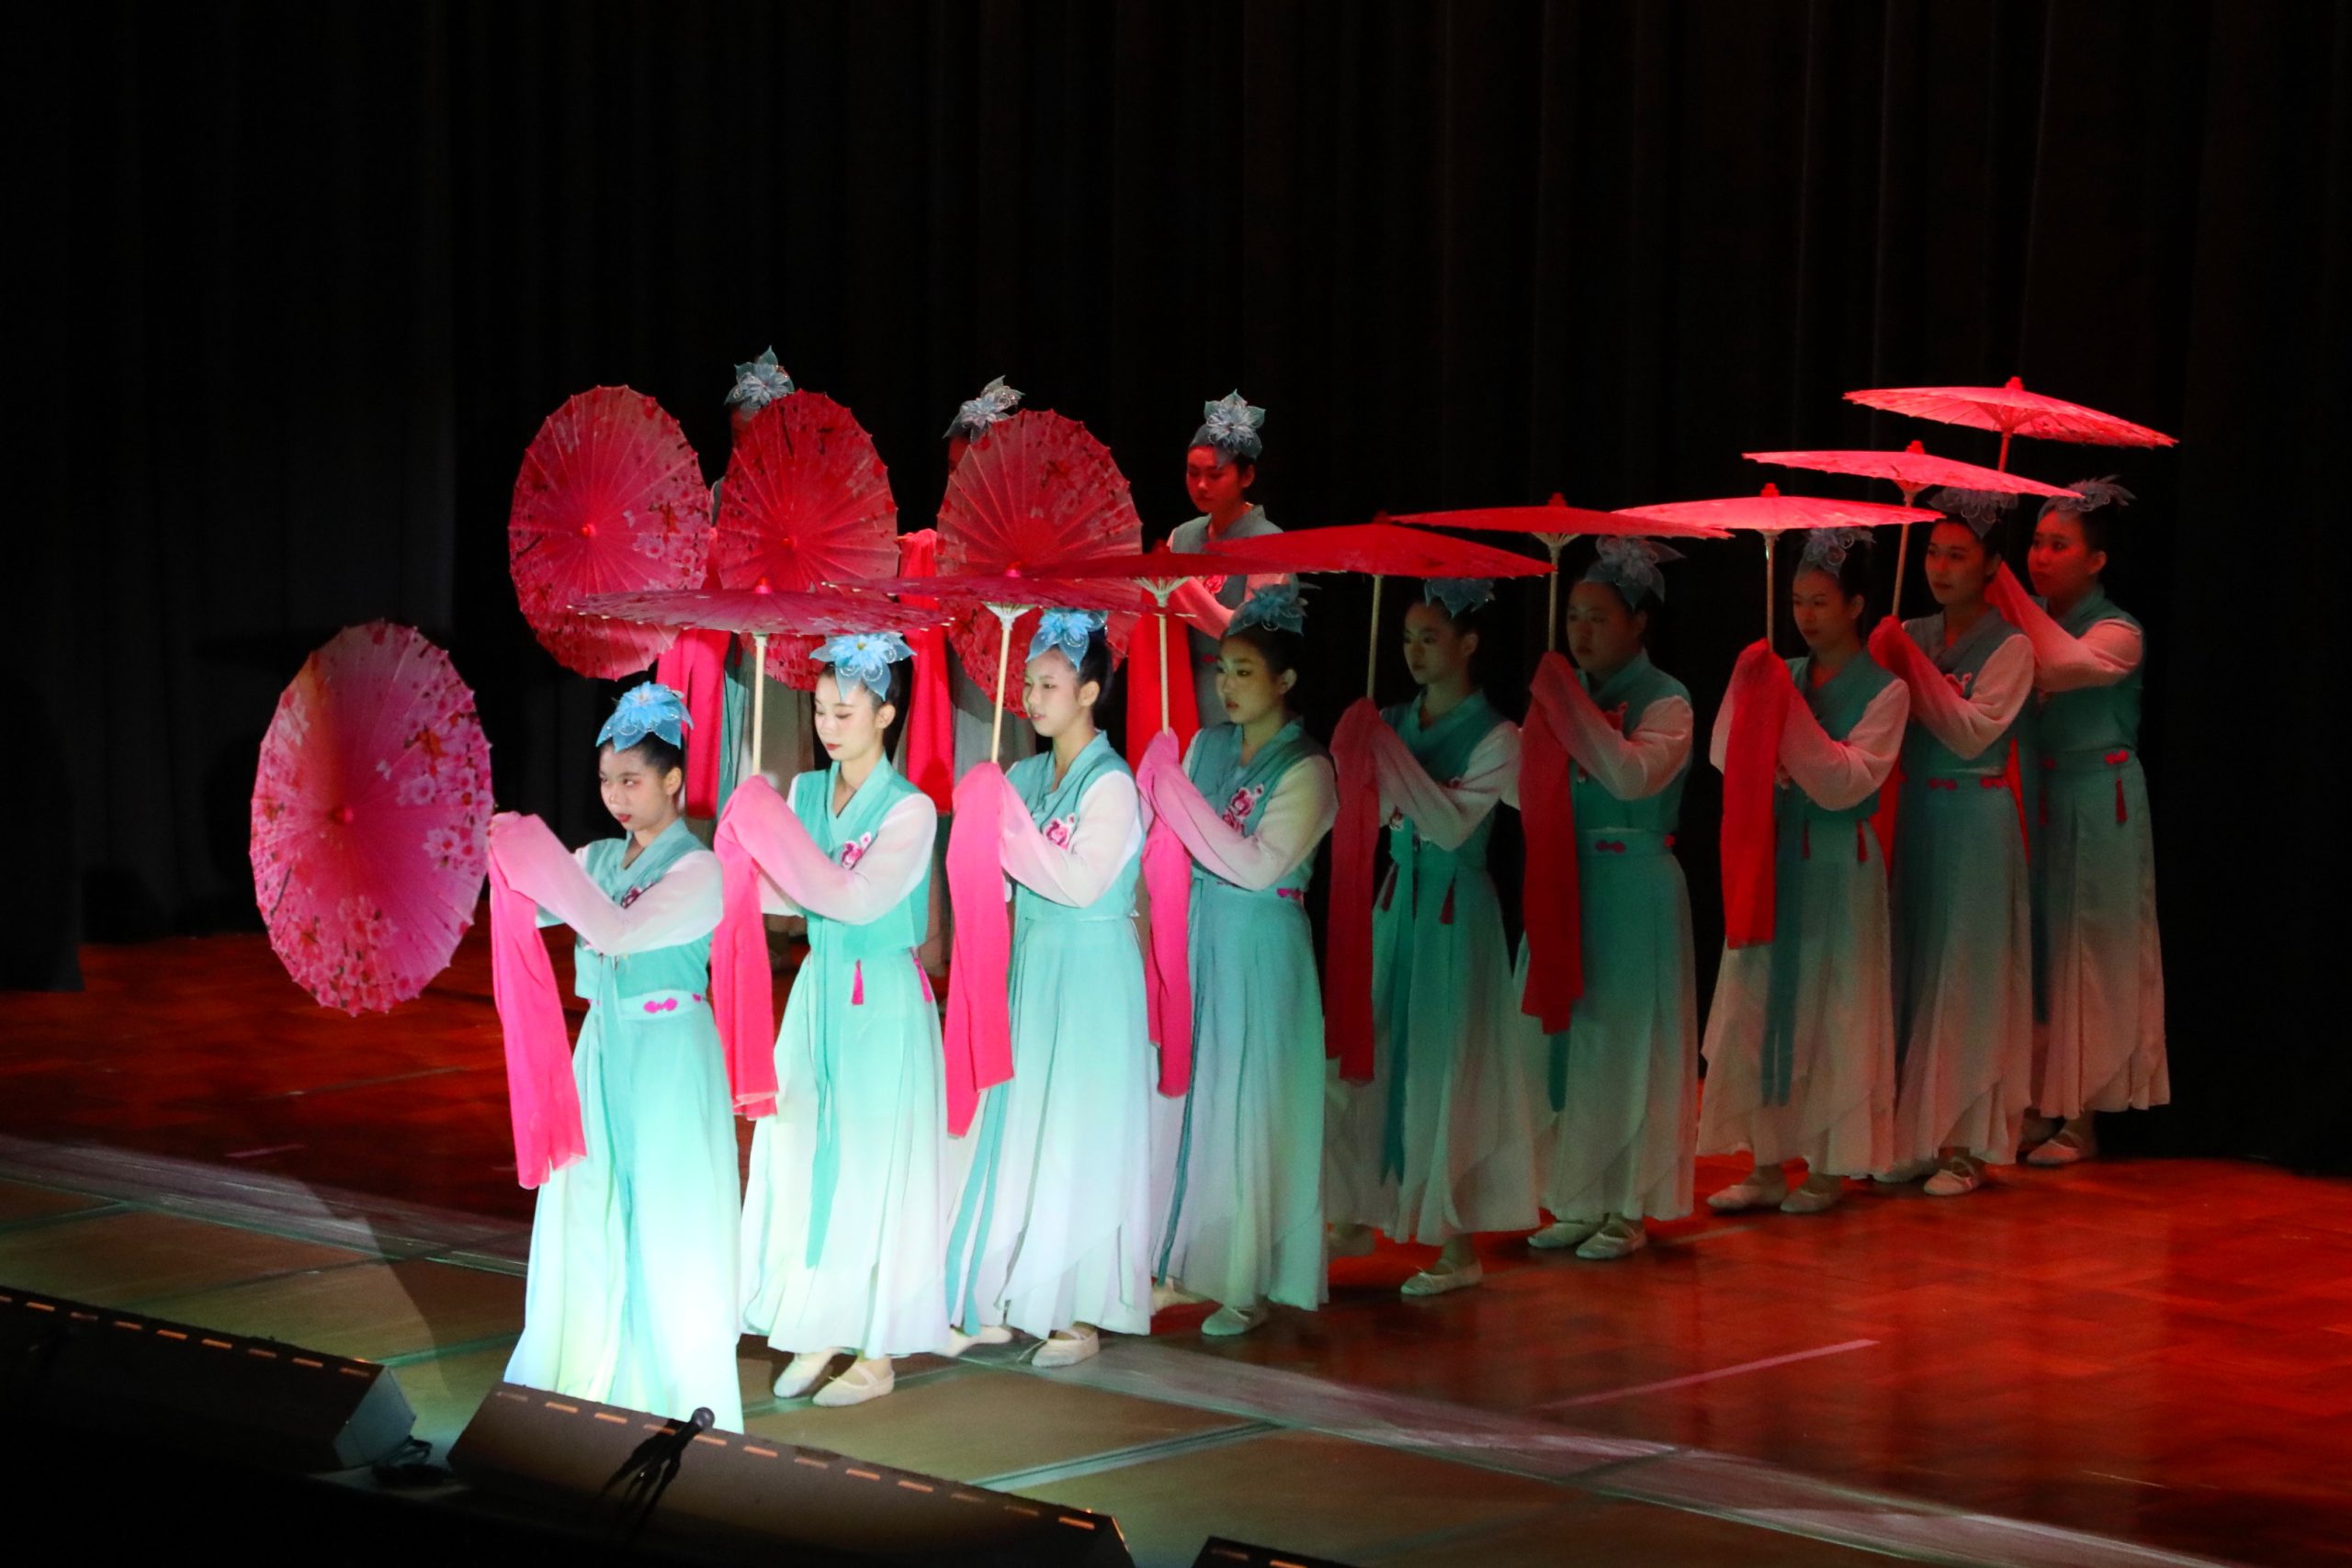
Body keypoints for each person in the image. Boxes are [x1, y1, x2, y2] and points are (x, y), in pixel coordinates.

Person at [491, 683, 744, 1430]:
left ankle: (675, 1390)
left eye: (632, 780)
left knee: (669, 1217)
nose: (616, 796)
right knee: (591, 1208)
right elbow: (533, 901)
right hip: (602, 1049)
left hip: (670, 1054)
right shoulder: (598, 858)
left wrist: (541, 857)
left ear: (674, 780)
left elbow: (614, 930)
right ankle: (589, 1368)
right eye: (606, 780)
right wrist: (496, 849)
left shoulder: (698, 869)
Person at [730, 634, 950, 1406]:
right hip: (818, 988)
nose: (827, 724)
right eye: (820, 708)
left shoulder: (911, 810)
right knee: (800, 1149)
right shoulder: (805, 791)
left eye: (845, 711)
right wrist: (745, 849)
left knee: (870, 1163)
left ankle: (877, 1346)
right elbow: (791, 898)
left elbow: (854, 897)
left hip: (880, 1000)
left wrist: (774, 837)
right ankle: (818, 1318)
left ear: (885, 714)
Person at [943, 610, 1153, 1368]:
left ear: (1089, 692)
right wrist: (980, 825)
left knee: (1077, 1131)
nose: (1031, 698)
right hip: (1033, 966)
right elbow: (999, 878)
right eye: (1027, 683)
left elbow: (1079, 880)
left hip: (1093, 973)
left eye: (1049, 685)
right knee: (1022, 1125)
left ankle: (1081, 1308)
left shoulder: (1113, 783)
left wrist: (1005, 829)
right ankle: (1005, 1294)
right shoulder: (1026, 776)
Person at [1326, 580, 1538, 1295]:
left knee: (1448, 1063)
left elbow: (1449, 825)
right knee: (1372, 1045)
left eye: (1431, 637)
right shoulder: (1391, 718)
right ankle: (1356, 1208)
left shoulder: (1500, 736)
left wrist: (1386, 754)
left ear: (1468, 643)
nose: (1415, 651)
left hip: (1455, 907)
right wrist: (1366, 755)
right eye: (1408, 637)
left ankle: (1456, 1241)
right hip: (1397, 902)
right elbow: (1376, 811)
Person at [1140, 585, 1338, 1334]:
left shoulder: (1308, 768)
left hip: (1261, 945)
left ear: (1285, 680)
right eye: (1221, 670)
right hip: (1200, 932)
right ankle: (1188, 1260)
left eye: (1245, 672)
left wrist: (1177, 796)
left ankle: (1247, 1278)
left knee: (1248, 1104)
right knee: (1195, 1097)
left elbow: (1256, 864)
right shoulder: (1208, 744)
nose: (1226, 685)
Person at [1700, 530, 1908, 1214]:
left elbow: (1843, 782)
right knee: (1762, 1002)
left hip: (1840, 863)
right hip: (1775, 854)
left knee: (1836, 1008)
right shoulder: (1777, 672)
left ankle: (1828, 1162)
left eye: (1821, 601)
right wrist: (1749, 691)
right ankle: (1765, 1162)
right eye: (1797, 601)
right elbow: (1725, 754)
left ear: (1855, 605)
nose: (1806, 615)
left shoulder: (1887, 692)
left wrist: (1784, 725)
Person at [1511, 539, 1698, 1260]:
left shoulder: (1668, 699)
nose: (1581, 631)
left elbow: (1629, 775)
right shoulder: (1563, 695)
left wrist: (1563, 701)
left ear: (1637, 623)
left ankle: (1629, 1201)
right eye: (1573, 616)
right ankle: (1575, 1193)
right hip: (1566, 878)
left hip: (1634, 883)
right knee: (1570, 1039)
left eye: (1598, 617)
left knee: (1627, 1040)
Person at [1991, 479, 2167, 1165]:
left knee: (2092, 946)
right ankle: (2042, 1099)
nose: (2040, 556)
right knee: (2040, 946)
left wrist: (2004, 591)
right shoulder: (2021, 618)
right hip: (2037, 790)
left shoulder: (2119, 631)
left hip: (2100, 796)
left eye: (2058, 545)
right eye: (2035, 542)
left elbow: (2057, 665)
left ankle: (2085, 1114)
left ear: (2096, 560)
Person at [1868, 491, 2037, 1197]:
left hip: (1976, 815)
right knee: (1914, 966)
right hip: (1919, 815)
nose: (1940, 567)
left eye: (1958, 555)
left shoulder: (2012, 646)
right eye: (1934, 553)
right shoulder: (1908, 630)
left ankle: (1966, 1142)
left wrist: (1910, 663)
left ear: (1992, 565)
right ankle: (1915, 1134)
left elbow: (1971, 732)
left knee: (1967, 974)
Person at [1167, 391, 1285, 730]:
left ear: (1246, 477)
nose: (1201, 485)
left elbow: (1240, 631)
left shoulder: (1269, 543)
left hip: (1245, 690)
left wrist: (1178, 580)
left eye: (1215, 474)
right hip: (1184, 684)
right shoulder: (1182, 536)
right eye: (1193, 473)